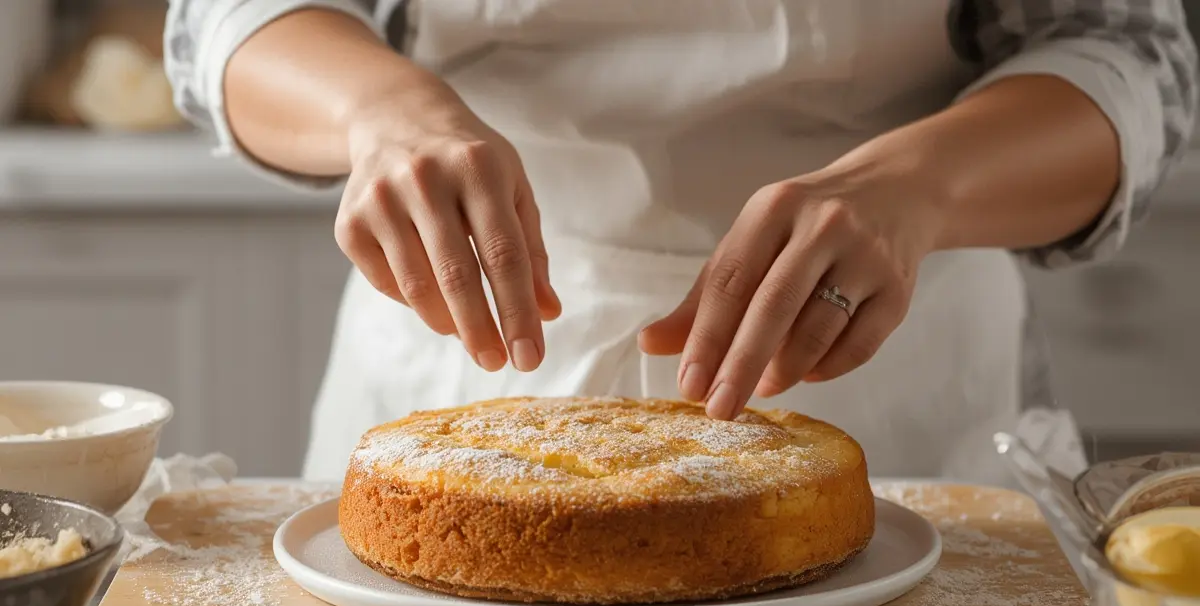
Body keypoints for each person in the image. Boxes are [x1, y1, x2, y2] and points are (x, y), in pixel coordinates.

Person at [165, 1, 1196, 486]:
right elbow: (224, 16)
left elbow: (1131, 50)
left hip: (899, 384)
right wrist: (381, 112)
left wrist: (918, 185)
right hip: (460, 360)